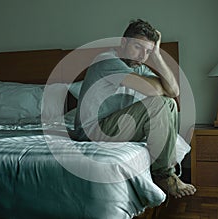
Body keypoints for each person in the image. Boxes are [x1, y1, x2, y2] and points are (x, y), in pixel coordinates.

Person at [73, 19, 196, 198]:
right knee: (160, 103)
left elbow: (173, 91)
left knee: (169, 103)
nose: (142, 56)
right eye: (138, 47)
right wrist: (157, 86)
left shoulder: (135, 66)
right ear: (124, 43)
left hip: (113, 126)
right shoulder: (106, 61)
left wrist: (158, 55)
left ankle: (165, 171)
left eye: (148, 51)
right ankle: (163, 174)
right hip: (92, 131)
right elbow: (153, 90)